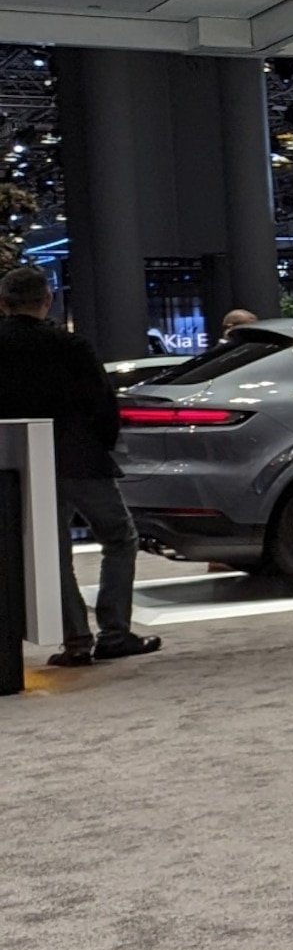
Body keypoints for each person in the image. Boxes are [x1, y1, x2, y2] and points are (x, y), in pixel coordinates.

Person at [0, 266, 157, 667]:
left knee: (54, 552)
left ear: (3, 304)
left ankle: (76, 642)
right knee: (119, 539)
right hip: (79, 458)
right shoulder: (72, 346)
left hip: (20, 465)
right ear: (47, 299)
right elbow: (103, 406)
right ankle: (115, 632)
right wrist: (99, 445)